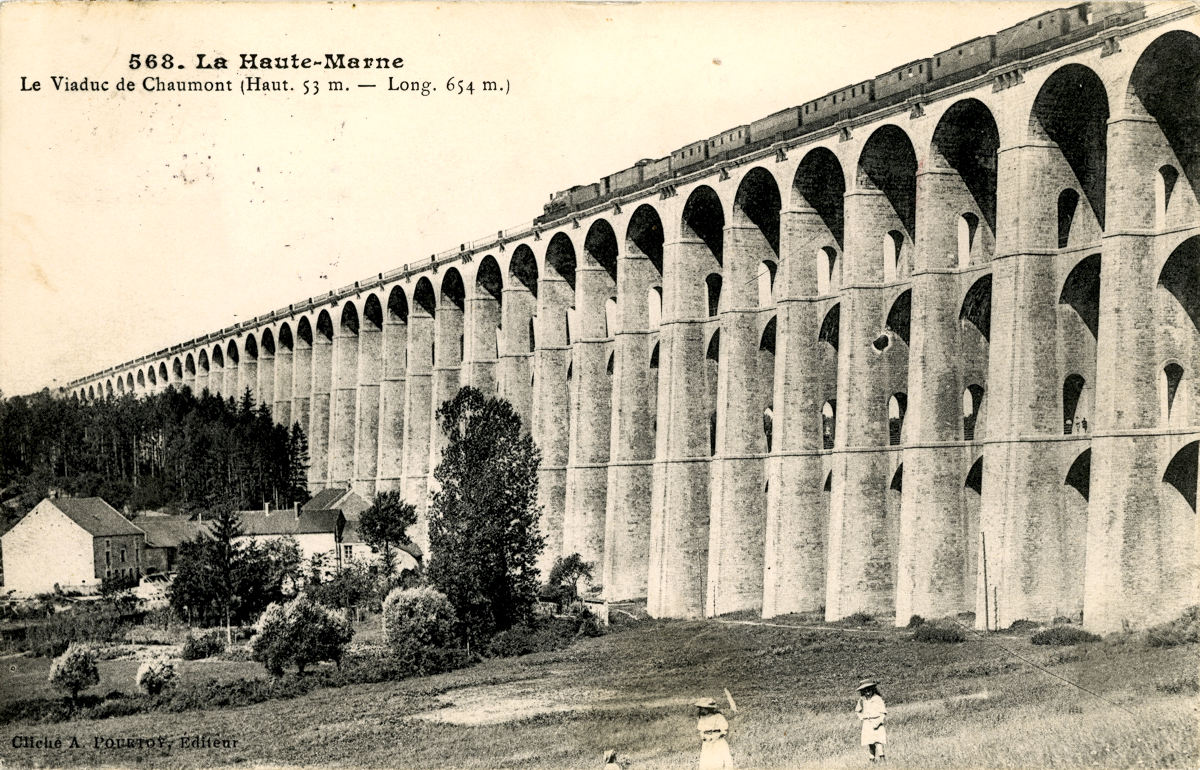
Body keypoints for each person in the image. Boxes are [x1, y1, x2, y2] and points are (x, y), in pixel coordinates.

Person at [694, 697, 735, 769]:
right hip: (707, 743)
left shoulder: (718, 717)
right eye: (700, 708)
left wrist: (716, 736)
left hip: (717, 742)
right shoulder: (702, 718)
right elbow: (701, 730)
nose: (701, 710)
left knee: (718, 761)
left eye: (703, 708)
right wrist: (703, 736)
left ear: (708, 709)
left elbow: (724, 730)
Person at [855, 679, 887, 762]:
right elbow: (857, 710)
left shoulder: (878, 699)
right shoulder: (862, 699)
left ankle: (882, 760)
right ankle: (872, 761)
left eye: (869, 690)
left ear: (873, 689)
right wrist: (862, 717)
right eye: (865, 691)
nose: (867, 693)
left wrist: (878, 722)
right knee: (870, 743)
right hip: (867, 724)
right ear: (862, 692)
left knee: (878, 742)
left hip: (876, 722)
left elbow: (883, 712)